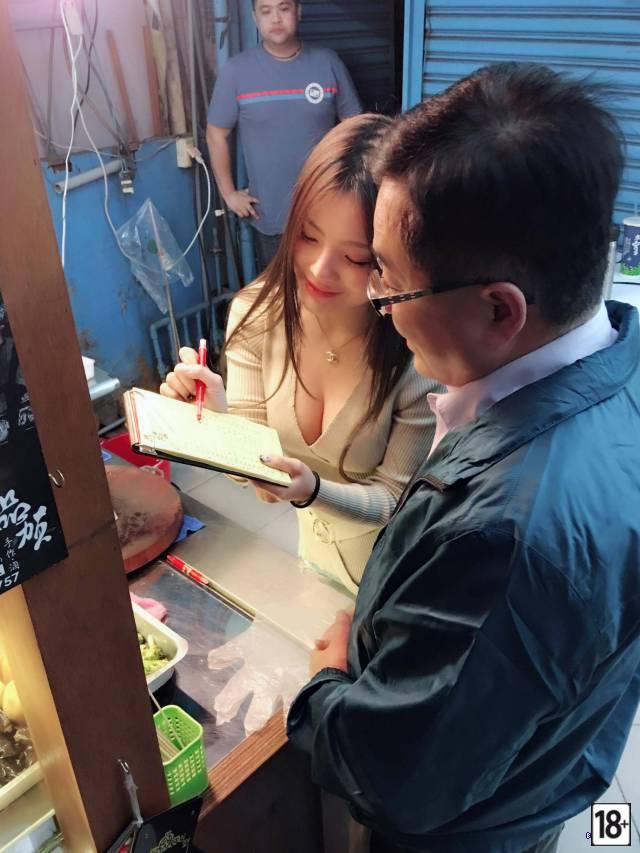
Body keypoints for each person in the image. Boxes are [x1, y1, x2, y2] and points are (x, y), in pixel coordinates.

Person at [286, 63, 640, 853]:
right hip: (533, 765)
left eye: (387, 278)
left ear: (498, 309)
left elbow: (397, 777)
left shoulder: (506, 535)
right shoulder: (616, 362)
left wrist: (328, 684)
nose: (375, 301)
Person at [162, 114, 442, 593]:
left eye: (356, 257)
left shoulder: (417, 350)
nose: (319, 268)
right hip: (316, 558)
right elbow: (259, 483)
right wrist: (216, 422)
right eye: (309, 236)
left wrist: (310, 490)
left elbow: (395, 498)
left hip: (398, 572)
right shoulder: (257, 315)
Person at [206, 0, 361, 271]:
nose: (275, 18)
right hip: (271, 218)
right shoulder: (236, 71)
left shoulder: (327, 62)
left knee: (325, 290)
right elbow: (216, 134)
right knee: (280, 293)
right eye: (265, 11)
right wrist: (229, 194)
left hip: (327, 214)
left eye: (284, 8)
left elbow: (356, 127)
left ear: (298, 11)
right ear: (255, 17)